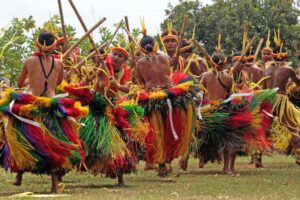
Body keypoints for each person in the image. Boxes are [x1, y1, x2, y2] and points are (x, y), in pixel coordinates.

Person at [9, 31, 85, 193]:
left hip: (33, 104)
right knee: (54, 144)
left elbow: (20, 83)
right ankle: (54, 187)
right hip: (51, 105)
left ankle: (19, 176)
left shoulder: (29, 61)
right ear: (53, 45)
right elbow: (57, 82)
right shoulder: (59, 63)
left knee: (23, 139)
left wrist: (33, 78)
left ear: (38, 43)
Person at [135, 27, 196, 177]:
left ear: (141, 48)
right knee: (172, 127)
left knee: (158, 131)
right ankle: (168, 159)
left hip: (153, 96)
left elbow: (141, 83)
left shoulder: (139, 63)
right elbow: (169, 72)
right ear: (156, 44)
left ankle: (163, 163)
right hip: (172, 94)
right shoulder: (165, 57)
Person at [264, 30, 300, 165]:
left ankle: (257, 158)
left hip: (267, 98)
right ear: (285, 59)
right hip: (281, 100)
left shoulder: (267, 69)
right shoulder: (288, 69)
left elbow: (262, 86)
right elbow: (298, 83)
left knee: (262, 126)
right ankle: (299, 156)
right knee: (294, 127)